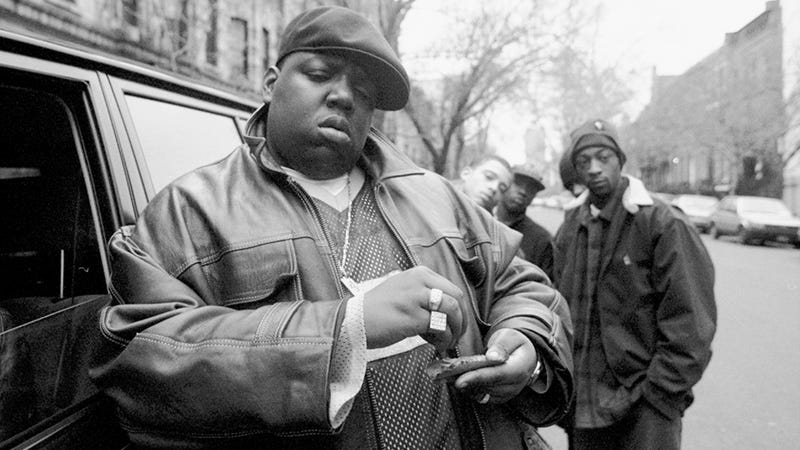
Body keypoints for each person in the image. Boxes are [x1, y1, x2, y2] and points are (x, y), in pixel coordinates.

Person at [90, 6, 573, 449]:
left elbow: (524, 283)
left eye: (363, 93)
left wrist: (526, 339)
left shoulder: (437, 196)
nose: (343, 96)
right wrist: (346, 329)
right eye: (319, 74)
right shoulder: (188, 210)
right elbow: (140, 360)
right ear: (270, 82)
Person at [553, 119, 716, 450]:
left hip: (645, 406)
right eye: (583, 162)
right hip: (584, 404)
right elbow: (559, 307)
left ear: (620, 159)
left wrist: (658, 394)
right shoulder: (572, 226)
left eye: (603, 157)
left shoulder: (661, 222)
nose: (594, 169)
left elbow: (691, 322)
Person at [494, 163, 554, 281]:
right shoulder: (483, 222)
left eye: (531, 189)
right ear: (504, 184)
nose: (523, 191)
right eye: (518, 183)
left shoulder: (541, 239)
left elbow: (544, 288)